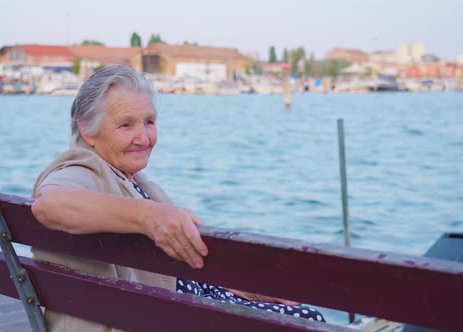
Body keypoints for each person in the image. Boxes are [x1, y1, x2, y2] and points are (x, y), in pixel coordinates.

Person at [31, 65, 325, 331]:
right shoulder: (82, 169)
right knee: (307, 324)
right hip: (155, 319)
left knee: (299, 316)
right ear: (86, 128)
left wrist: (242, 289)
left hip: (173, 308)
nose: (144, 138)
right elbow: (49, 205)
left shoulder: (135, 182)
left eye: (149, 122)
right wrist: (148, 216)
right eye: (126, 125)